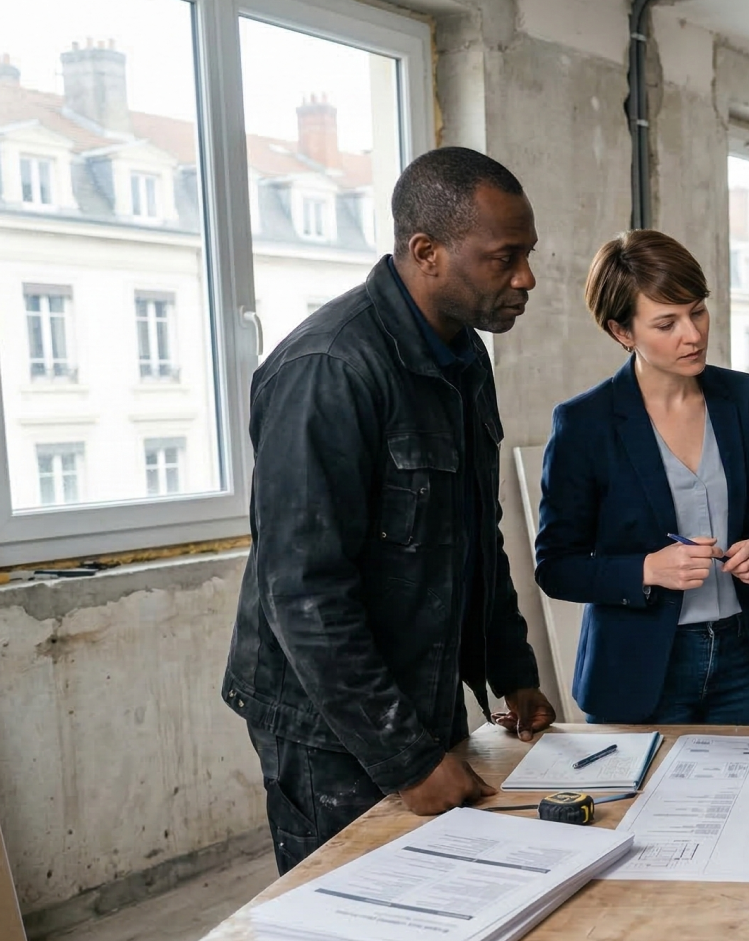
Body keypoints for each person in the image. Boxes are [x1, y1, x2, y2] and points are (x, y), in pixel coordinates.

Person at [222, 147, 554, 874]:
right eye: (505, 258)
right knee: (355, 908)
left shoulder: (465, 359)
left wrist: (510, 665)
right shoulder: (329, 369)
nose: (526, 277)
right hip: (331, 726)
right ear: (426, 252)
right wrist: (409, 759)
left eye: (528, 254)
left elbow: (476, 529)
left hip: (421, 690)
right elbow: (303, 595)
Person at [534, 230, 749, 725]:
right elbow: (556, 566)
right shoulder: (585, 423)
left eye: (697, 311)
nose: (692, 334)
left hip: (741, 659)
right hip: (638, 670)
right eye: (666, 323)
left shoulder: (741, 398)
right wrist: (647, 569)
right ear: (622, 332)